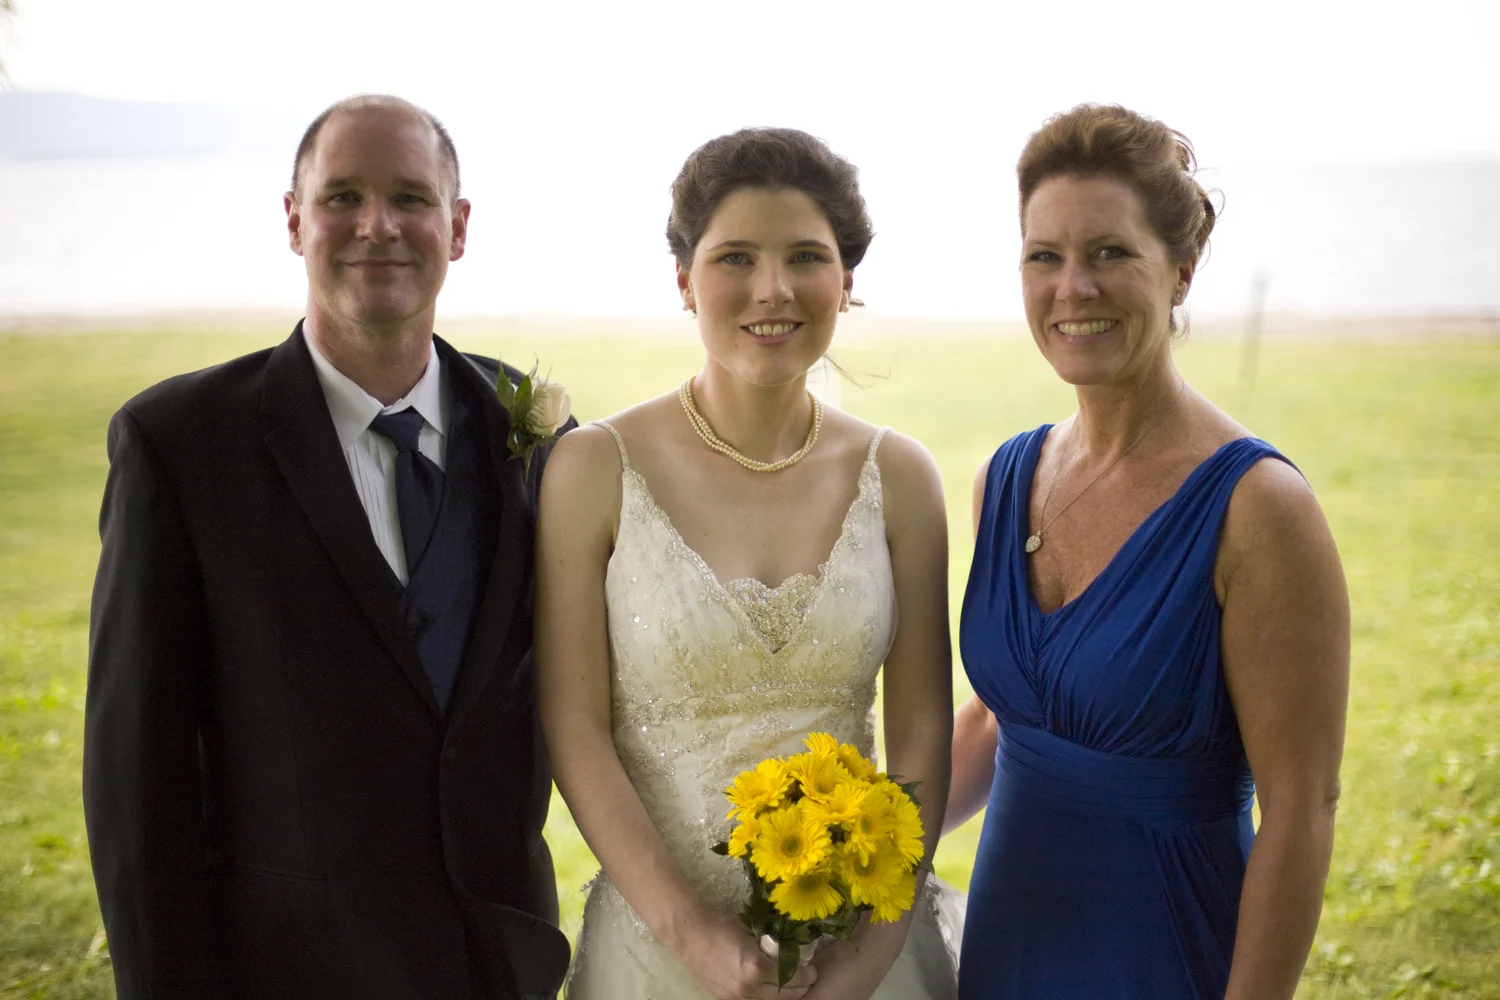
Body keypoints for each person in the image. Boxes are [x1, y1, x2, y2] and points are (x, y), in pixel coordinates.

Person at [83, 94, 574, 1000]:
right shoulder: (181, 443)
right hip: (284, 965)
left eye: (411, 198)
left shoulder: (540, 438)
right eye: (343, 196)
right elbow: (137, 778)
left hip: (497, 957)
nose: (377, 225)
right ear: (294, 220)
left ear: (458, 227)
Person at [536, 127, 960, 1000]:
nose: (774, 289)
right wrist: (698, 940)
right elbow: (574, 725)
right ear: (684, 280)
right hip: (657, 951)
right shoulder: (594, 469)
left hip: (859, 951)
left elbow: (921, 727)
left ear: (846, 280)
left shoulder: (901, 477)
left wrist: (871, 956)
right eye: (736, 258)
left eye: (806, 257)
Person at [948, 104, 1350, 999]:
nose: (1073, 288)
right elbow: (1000, 719)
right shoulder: (1003, 480)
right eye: (1044, 256)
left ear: (1181, 272)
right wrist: (849, 856)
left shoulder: (1258, 508)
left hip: (1164, 955)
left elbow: (1303, 808)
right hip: (1007, 949)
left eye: (1109, 253)